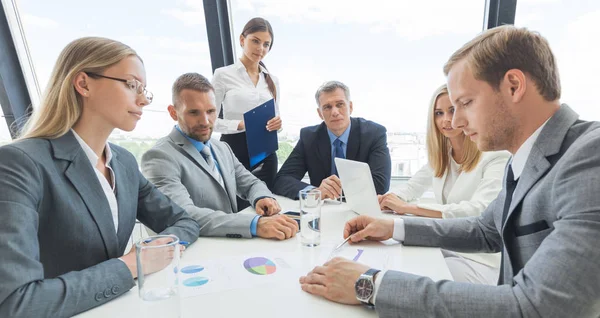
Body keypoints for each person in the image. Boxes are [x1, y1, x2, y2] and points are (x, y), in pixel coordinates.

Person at [299, 25, 600, 317]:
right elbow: (485, 230)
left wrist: (370, 283)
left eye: (466, 103)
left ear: (513, 86)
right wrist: (393, 227)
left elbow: (536, 307)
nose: (454, 124)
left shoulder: (589, 157)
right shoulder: (524, 157)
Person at [0, 37, 200, 317]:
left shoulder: (124, 163)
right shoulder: (19, 164)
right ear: (83, 84)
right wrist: (132, 264)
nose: (143, 99)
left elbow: (183, 221)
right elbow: (16, 304)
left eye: (144, 90)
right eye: (131, 85)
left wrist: (156, 248)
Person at [378, 84, 509, 284]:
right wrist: (389, 199)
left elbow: (479, 211)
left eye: (452, 111)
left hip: (480, 258)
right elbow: (412, 187)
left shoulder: (495, 155)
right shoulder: (442, 155)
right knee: (398, 255)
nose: (446, 120)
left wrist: (410, 208)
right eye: (439, 113)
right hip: (448, 247)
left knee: (418, 277)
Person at [141, 73, 298, 240]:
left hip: (232, 244)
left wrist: (262, 197)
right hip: (202, 251)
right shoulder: (159, 157)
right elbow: (185, 214)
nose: (206, 121)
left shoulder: (222, 148)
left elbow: (251, 183)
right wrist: (254, 224)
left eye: (211, 111)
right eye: (194, 112)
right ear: (173, 112)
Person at [274, 80, 391, 200]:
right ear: (320, 113)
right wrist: (314, 192)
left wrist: (334, 190)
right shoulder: (309, 137)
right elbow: (282, 179)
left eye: (340, 104)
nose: (334, 112)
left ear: (350, 107)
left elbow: (381, 185)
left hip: (360, 209)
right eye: (327, 107)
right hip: (324, 210)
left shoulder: (374, 134)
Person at [212, 17, 281, 209]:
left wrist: (278, 125)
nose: (261, 48)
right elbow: (209, 121)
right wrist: (239, 125)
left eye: (266, 44)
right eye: (255, 41)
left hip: (265, 152)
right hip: (234, 150)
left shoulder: (272, 80)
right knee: (239, 209)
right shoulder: (223, 75)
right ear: (242, 40)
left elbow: (276, 116)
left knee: (268, 208)